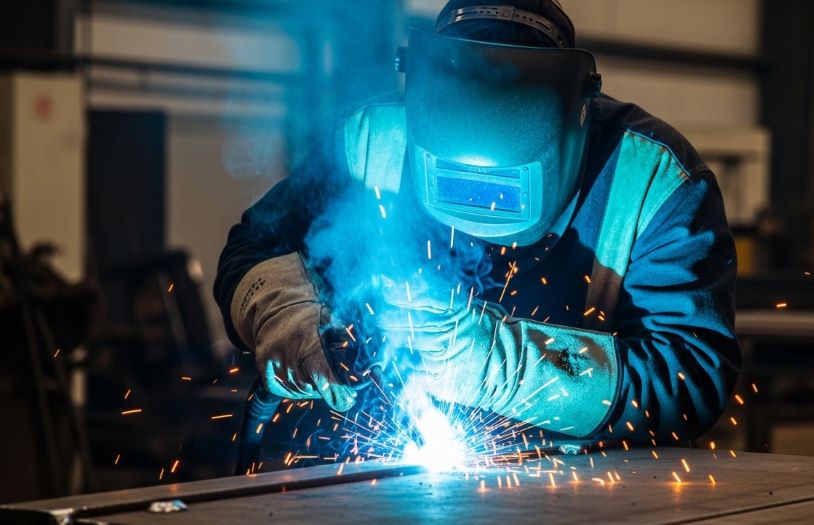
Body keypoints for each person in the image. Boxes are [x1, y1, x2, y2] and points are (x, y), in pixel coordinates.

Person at [214, 0, 741, 447]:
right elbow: (253, 245)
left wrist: (499, 364)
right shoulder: (367, 140)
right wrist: (284, 315)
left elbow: (693, 375)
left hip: (579, 488)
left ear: (578, 113)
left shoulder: (655, 179)